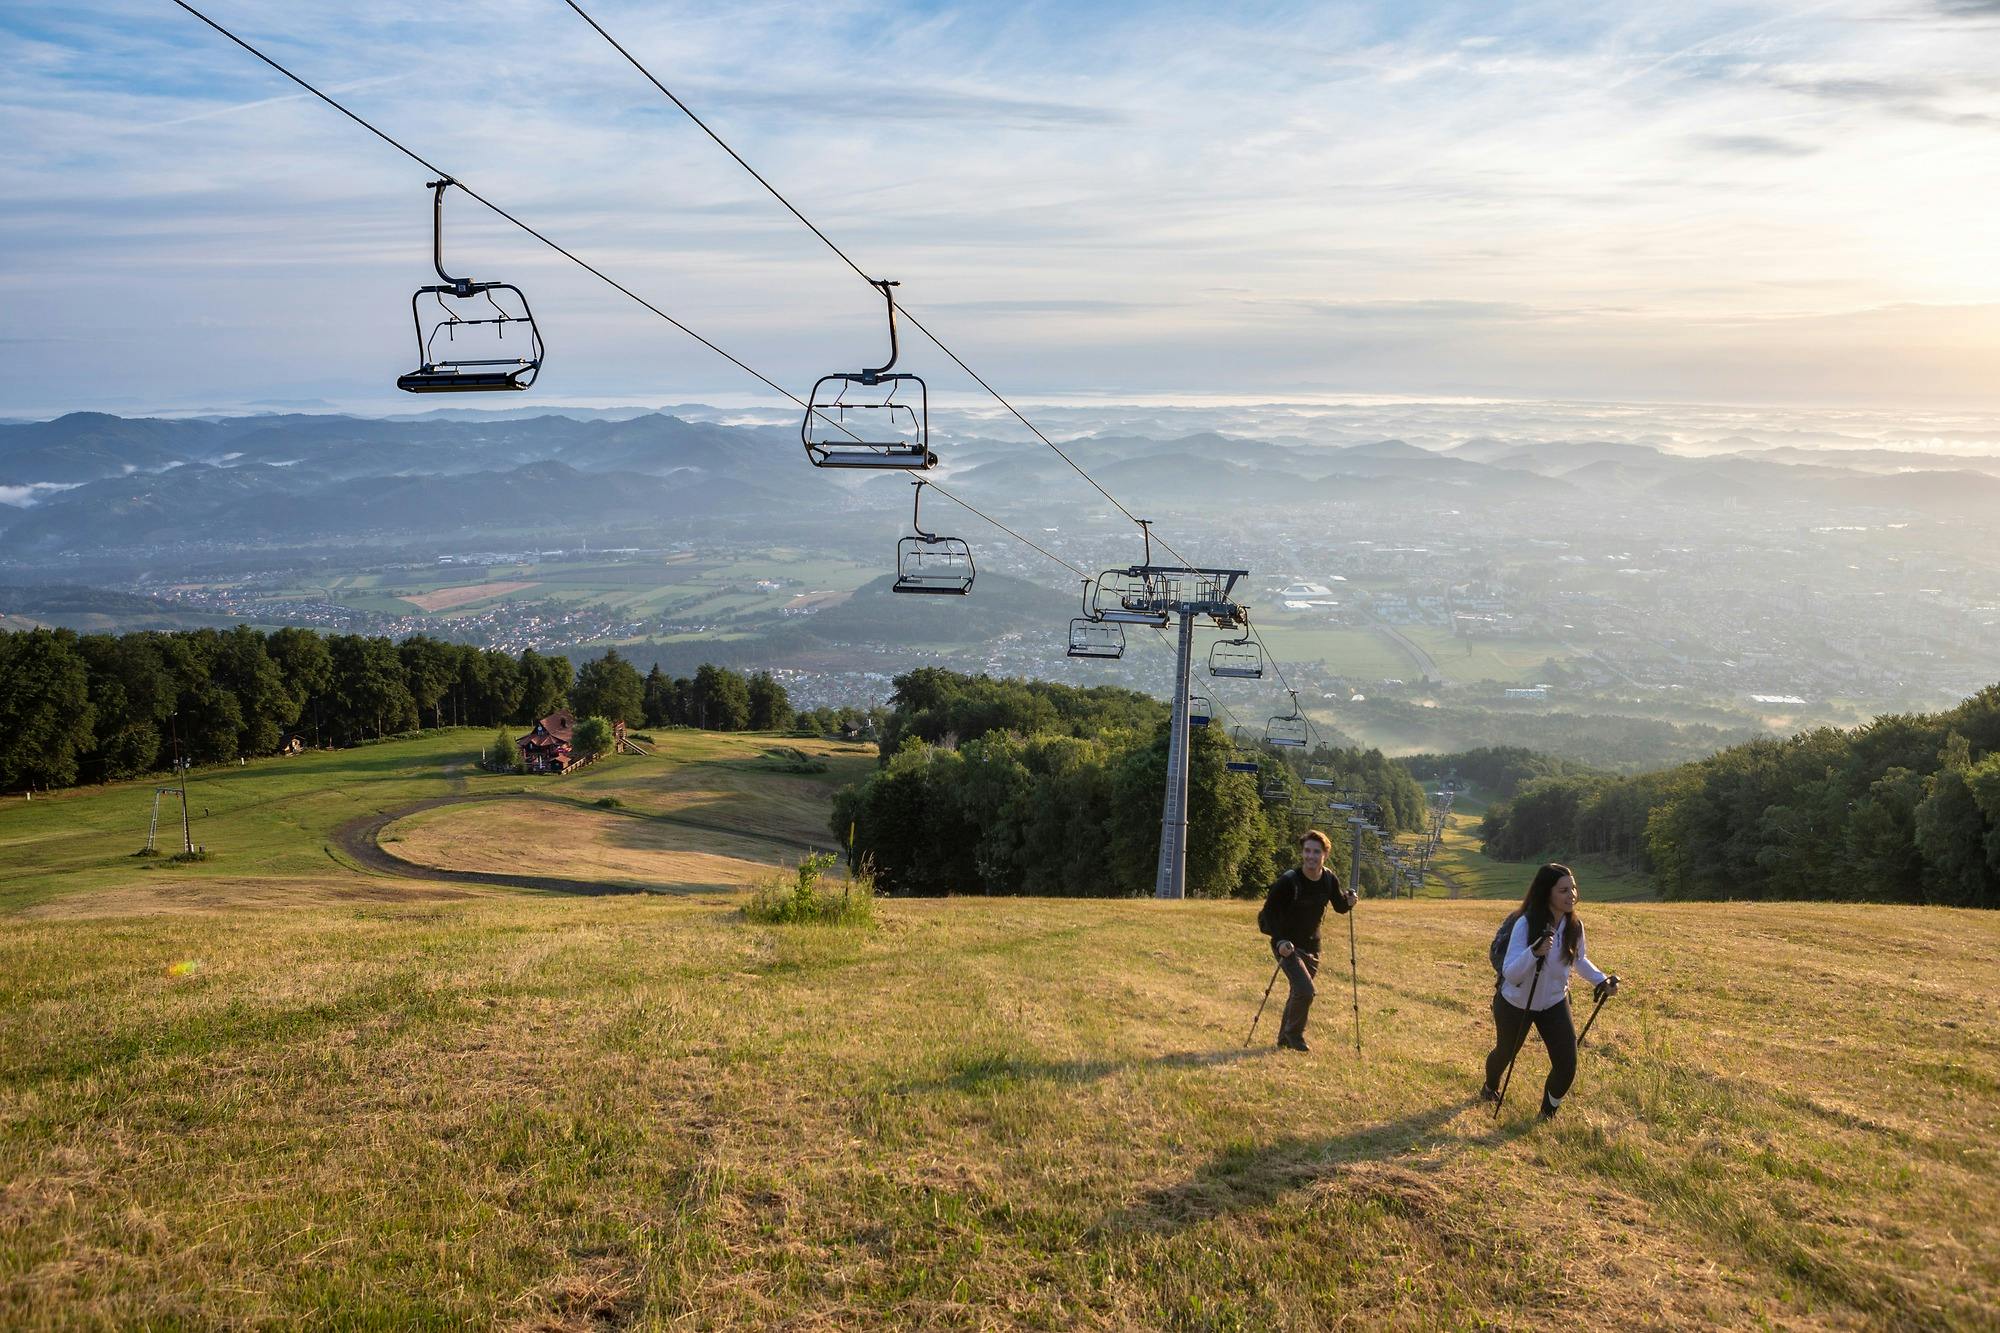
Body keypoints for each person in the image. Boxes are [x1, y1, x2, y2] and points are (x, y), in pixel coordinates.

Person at [1481, 862, 1621, 1118]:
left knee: (1567, 1064)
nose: (1572, 895)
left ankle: (1547, 1114)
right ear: (1547, 892)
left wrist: (1601, 980)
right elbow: (1511, 972)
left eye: (1574, 888)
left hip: (1554, 1002)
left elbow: (1579, 960)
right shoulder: (1525, 923)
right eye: (1564, 890)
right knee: (1505, 1053)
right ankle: (1490, 1086)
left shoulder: (1574, 926)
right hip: (1515, 1002)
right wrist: (1534, 952)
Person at [1256, 829, 1356, 1052]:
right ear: (1302, 853)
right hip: (1287, 945)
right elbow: (1269, 914)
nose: (1311, 856)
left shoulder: (1329, 879)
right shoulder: (1288, 881)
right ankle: (1295, 1037)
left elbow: (1340, 906)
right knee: (1305, 990)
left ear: (1325, 855)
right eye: (1307, 851)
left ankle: (1283, 1039)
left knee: (1298, 992)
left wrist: (1349, 901)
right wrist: (1280, 941)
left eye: (1316, 852)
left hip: (1312, 946)